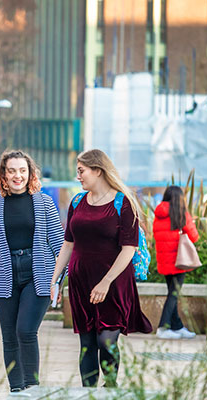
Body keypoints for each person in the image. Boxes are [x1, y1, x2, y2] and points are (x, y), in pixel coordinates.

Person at [50, 149, 152, 387]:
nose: (78, 177)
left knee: (106, 340)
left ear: (98, 170)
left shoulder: (123, 202)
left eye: (81, 171)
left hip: (114, 282)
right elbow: (68, 244)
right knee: (87, 343)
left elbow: (129, 248)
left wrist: (106, 282)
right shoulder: (77, 202)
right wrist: (54, 280)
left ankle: (111, 385)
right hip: (81, 282)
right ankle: (87, 394)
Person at [0, 150, 64, 393]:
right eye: (12, 170)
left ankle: (32, 387)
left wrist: (58, 281)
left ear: (30, 173)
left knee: (25, 330)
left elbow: (60, 245)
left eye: (22, 170)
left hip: (39, 275)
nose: (17, 176)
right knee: (9, 335)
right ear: (4, 174)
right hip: (6, 276)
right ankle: (16, 388)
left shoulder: (44, 202)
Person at [152, 186, 199, 339]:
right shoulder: (181, 214)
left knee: (172, 293)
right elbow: (194, 237)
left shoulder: (158, 215)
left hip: (164, 260)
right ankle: (163, 328)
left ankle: (177, 326)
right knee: (173, 295)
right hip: (178, 261)